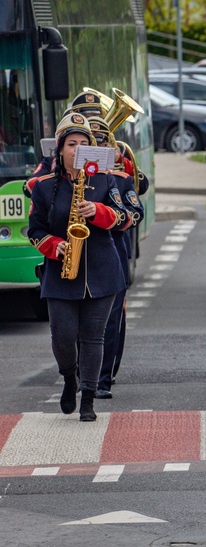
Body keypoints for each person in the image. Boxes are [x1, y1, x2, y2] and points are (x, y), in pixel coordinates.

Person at [27, 114, 133, 421]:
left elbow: (123, 218)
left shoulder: (104, 179)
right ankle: (69, 377)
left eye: (84, 144)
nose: (77, 149)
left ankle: (88, 397)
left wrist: (97, 210)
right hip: (60, 271)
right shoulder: (45, 186)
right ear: (60, 150)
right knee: (62, 334)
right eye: (71, 144)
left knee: (93, 336)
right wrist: (53, 245)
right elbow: (34, 230)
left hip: (101, 270)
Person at [88, 117, 144, 400]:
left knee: (109, 318)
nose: (95, 147)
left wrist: (114, 217)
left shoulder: (120, 179)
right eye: (89, 143)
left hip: (112, 253)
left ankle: (102, 378)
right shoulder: (63, 179)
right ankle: (79, 373)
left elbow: (136, 213)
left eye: (101, 142)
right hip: (74, 254)